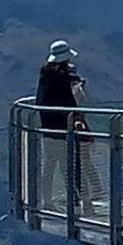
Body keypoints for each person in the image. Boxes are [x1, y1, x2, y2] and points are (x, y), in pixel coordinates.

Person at [35, 39, 98, 212]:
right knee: (73, 165)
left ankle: (47, 200)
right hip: (64, 127)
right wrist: (75, 117)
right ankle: (84, 202)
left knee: (50, 165)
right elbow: (69, 101)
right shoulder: (62, 79)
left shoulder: (46, 75)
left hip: (48, 127)